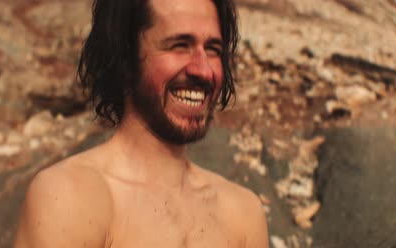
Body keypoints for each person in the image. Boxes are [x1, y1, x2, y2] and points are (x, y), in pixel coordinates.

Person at [14, 0, 269, 246]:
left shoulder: (243, 215)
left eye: (213, 49)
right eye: (180, 45)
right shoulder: (72, 198)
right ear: (125, 56)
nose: (204, 71)